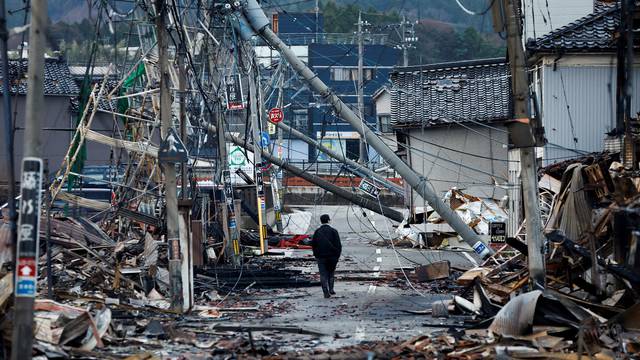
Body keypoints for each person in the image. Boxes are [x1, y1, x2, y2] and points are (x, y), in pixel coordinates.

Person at [311, 214, 342, 298]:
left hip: (321, 256)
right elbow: (338, 245)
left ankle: (325, 292)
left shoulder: (317, 232)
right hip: (332, 256)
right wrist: (337, 256)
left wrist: (316, 254)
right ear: (328, 220)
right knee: (331, 273)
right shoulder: (334, 231)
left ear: (321, 221)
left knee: (323, 274)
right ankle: (331, 289)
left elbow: (313, 244)